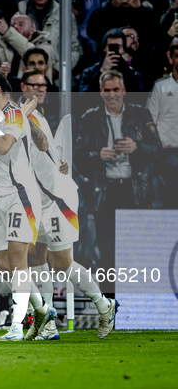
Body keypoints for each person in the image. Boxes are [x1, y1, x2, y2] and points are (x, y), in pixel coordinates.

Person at [19, 93, 120, 340]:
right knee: (35, 257)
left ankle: (104, 305)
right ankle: (49, 324)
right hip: (33, 201)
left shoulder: (30, 117)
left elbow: (42, 143)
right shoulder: (5, 120)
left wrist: (21, 116)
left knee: (61, 263)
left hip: (55, 199)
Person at [0, 70, 56, 341]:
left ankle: (17, 327)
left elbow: (3, 146)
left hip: (19, 196)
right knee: (4, 265)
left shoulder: (14, 115)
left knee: (19, 262)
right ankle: (43, 309)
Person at [74, 70, 161, 285]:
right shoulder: (89, 118)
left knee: (134, 252)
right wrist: (98, 155)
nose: (112, 95)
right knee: (107, 253)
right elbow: (78, 157)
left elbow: (158, 149)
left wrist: (137, 147)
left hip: (135, 192)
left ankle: (134, 304)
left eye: (116, 90)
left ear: (123, 90)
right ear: (101, 93)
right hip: (105, 192)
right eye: (107, 91)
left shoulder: (141, 114)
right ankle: (110, 308)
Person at [0, 13, 55, 82]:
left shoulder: (45, 44)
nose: (15, 27)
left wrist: (8, 32)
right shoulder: (7, 48)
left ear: (32, 30)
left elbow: (31, 53)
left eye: (21, 24)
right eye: (13, 25)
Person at [18, 0, 81, 76]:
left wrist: (58, 70)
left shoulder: (64, 14)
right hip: (26, 76)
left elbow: (74, 49)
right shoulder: (20, 11)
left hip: (55, 80)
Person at [147, 43, 178, 207]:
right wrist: (159, 141)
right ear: (170, 58)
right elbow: (150, 120)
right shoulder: (160, 86)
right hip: (168, 152)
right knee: (170, 198)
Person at [80, 29, 144, 94]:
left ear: (123, 49)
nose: (114, 50)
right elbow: (85, 100)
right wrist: (101, 71)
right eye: (111, 47)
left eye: (118, 46)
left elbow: (138, 100)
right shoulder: (89, 72)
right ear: (104, 48)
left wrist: (126, 72)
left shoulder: (134, 75)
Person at [20, 70, 59, 135]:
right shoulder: (15, 111)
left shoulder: (51, 109)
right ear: (23, 87)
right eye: (36, 85)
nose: (41, 90)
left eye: (43, 85)